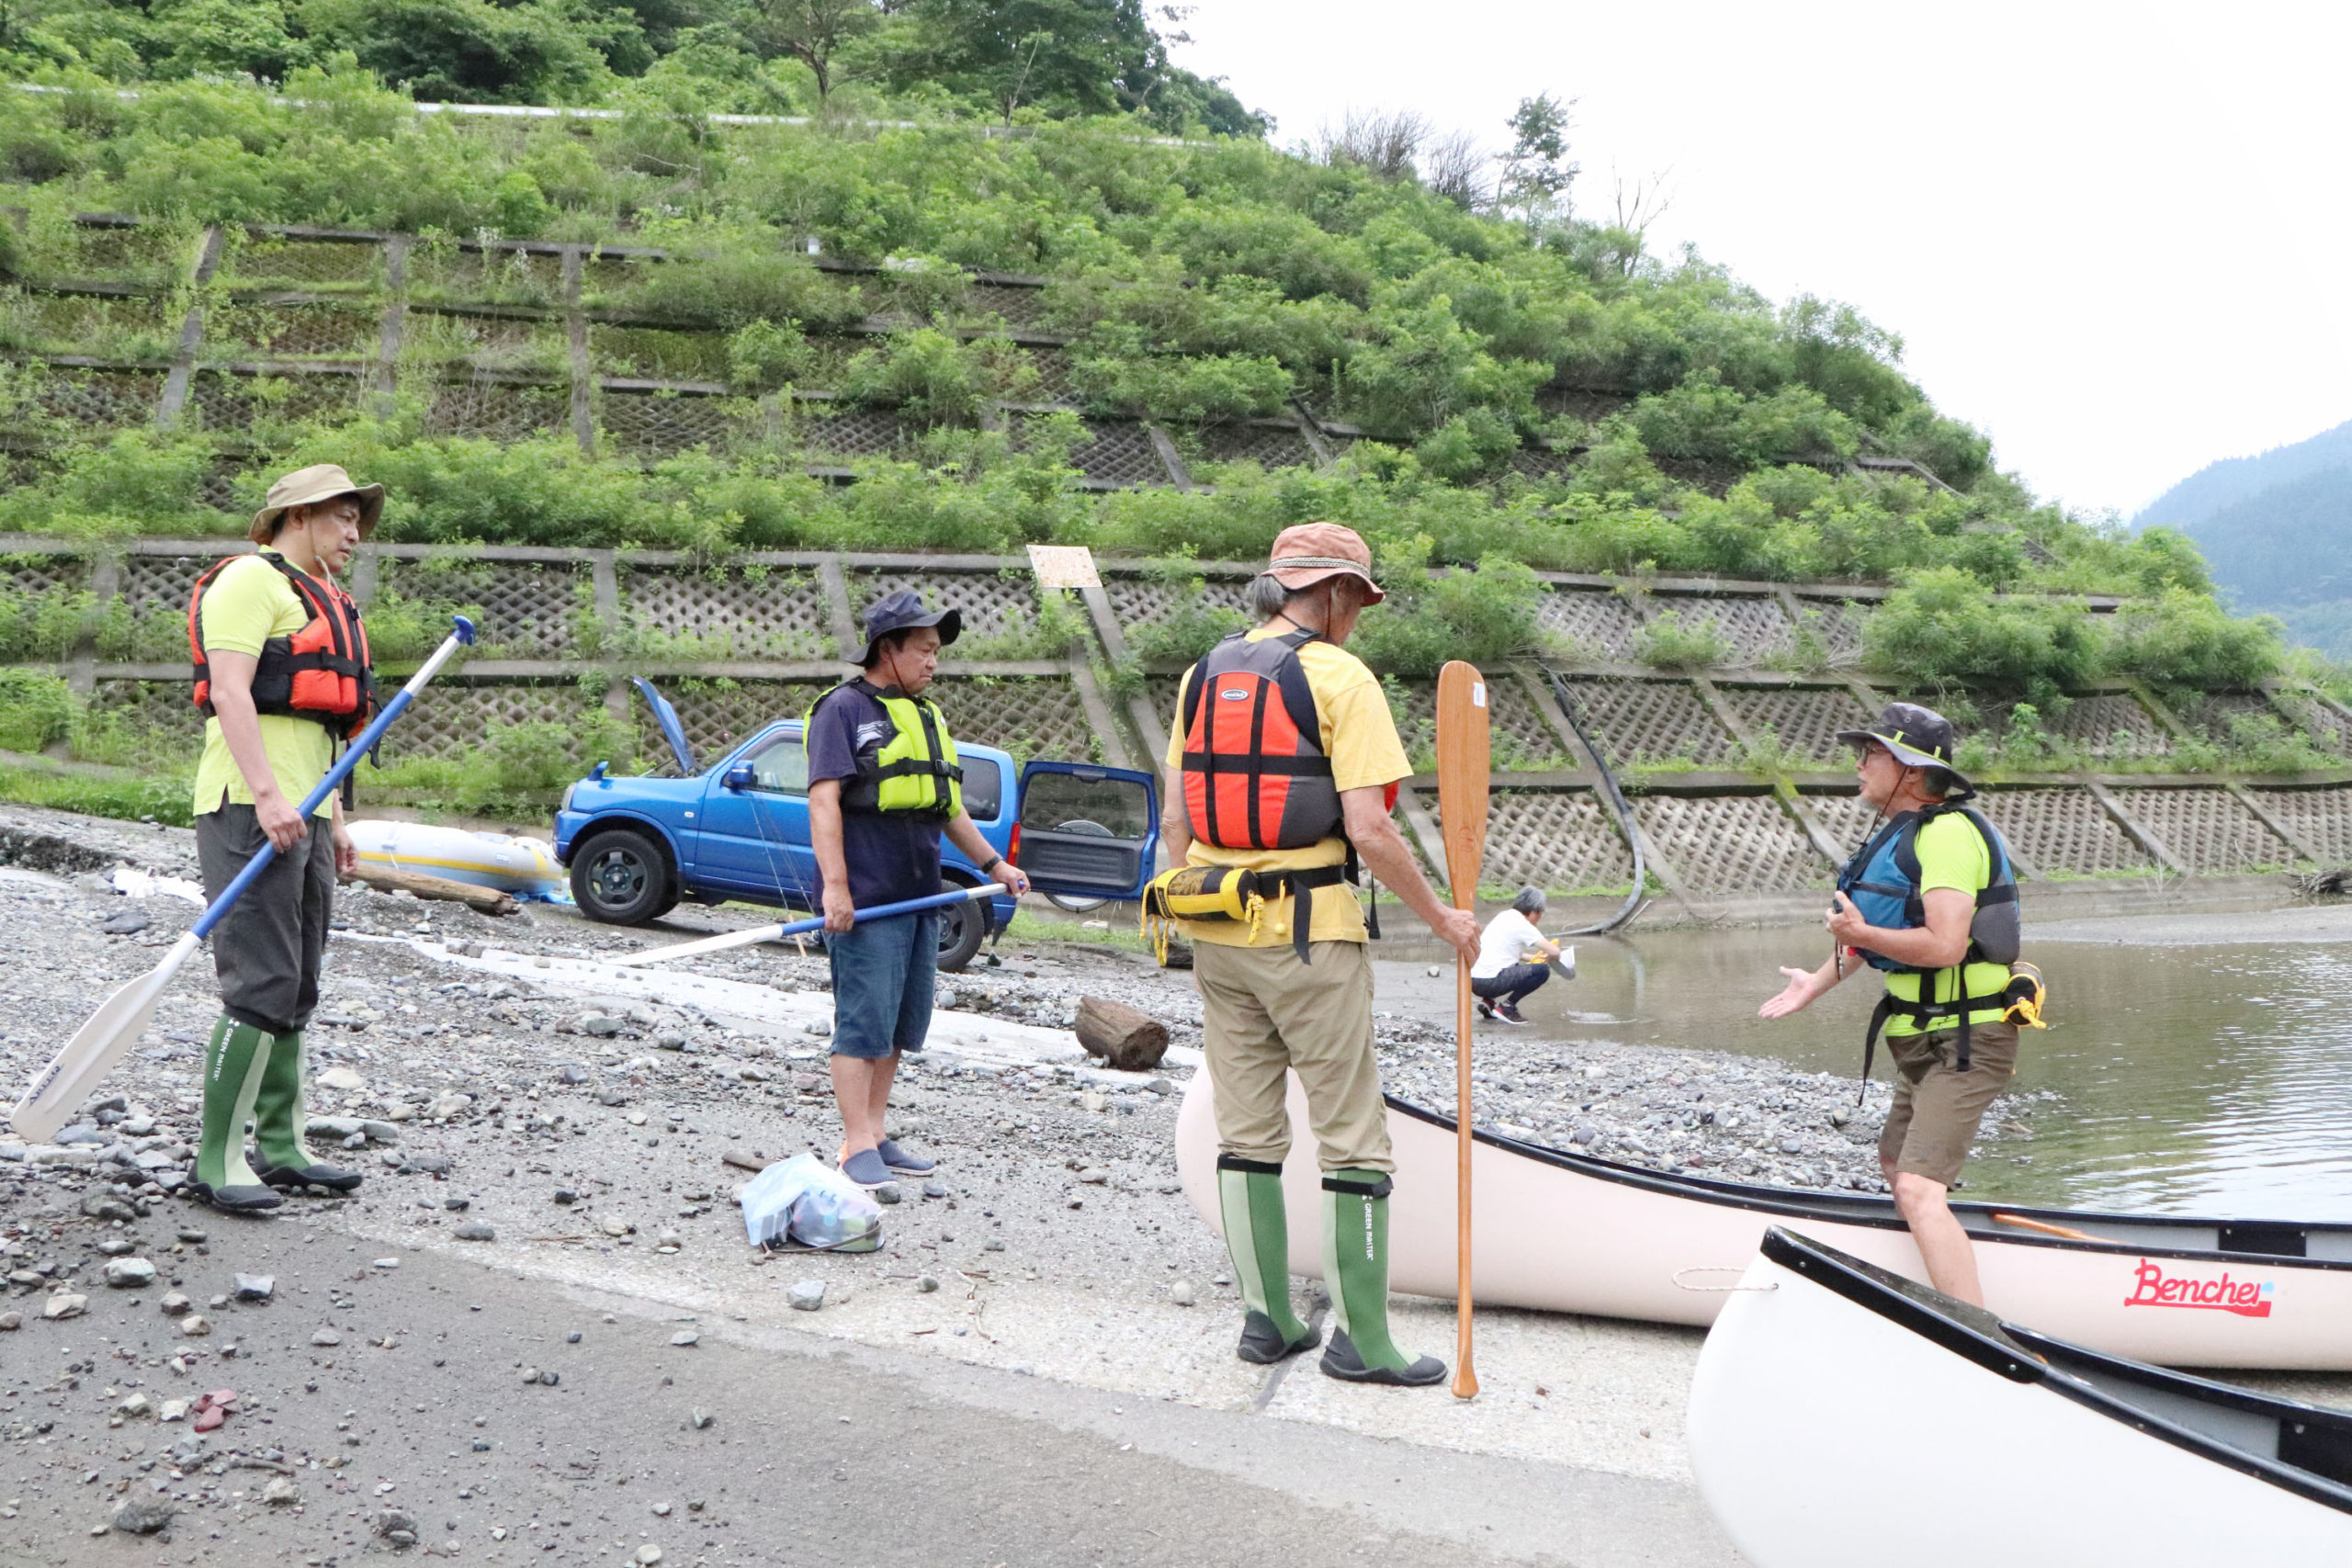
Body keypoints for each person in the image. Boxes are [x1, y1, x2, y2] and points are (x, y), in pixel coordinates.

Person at [1162, 522, 1482, 1387]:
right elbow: (1370, 828)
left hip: (1215, 931)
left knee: (1248, 1130)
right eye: (1360, 602)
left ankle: (1267, 1321)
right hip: (1308, 935)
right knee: (1353, 1139)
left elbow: (1176, 823)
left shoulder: (1205, 672)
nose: (1360, 618)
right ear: (1337, 591)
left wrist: (1177, 913)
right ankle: (1364, 1343)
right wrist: (1445, 920)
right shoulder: (1340, 676)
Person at [1756, 703, 2021, 1304]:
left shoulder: (1949, 834)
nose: (1858, 764)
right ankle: (1932, 1277)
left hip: (1967, 1037)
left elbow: (1946, 945)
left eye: (1870, 752)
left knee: (1920, 1187)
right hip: (1920, 1034)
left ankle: (1976, 1333)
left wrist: (1862, 937)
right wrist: (1815, 982)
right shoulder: (1903, 835)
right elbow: (1876, 935)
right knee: (1895, 1167)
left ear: (1907, 767)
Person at [186, 464, 383, 1213]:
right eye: (342, 517)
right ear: (298, 516)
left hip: (306, 811)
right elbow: (232, 693)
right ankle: (216, 1157)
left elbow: (327, 729)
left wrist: (333, 819)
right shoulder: (251, 580)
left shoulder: (329, 598)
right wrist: (269, 794)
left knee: (297, 983)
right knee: (259, 981)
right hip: (248, 804)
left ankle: (283, 1145)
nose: (353, 533)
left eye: (355, 519)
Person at [807, 590, 1029, 1189]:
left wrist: (993, 866)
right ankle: (853, 1143)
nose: (934, 662)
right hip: (868, 899)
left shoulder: (926, 716)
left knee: (902, 1024)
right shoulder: (842, 711)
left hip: (921, 897)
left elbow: (947, 807)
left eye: (937, 651)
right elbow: (823, 801)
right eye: (925, 650)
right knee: (862, 1022)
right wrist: (836, 888)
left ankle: (876, 1131)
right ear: (889, 648)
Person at [1470, 886, 1566, 1025]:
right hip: (1490, 982)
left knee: (1513, 965)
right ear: (1534, 912)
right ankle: (1507, 1008)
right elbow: (1554, 952)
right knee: (1541, 971)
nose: (1540, 917)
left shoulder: (1504, 916)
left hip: (1474, 980)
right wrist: (1554, 958)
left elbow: (1508, 952)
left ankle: (1488, 1002)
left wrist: (1533, 958)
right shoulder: (1523, 925)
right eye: (1541, 913)